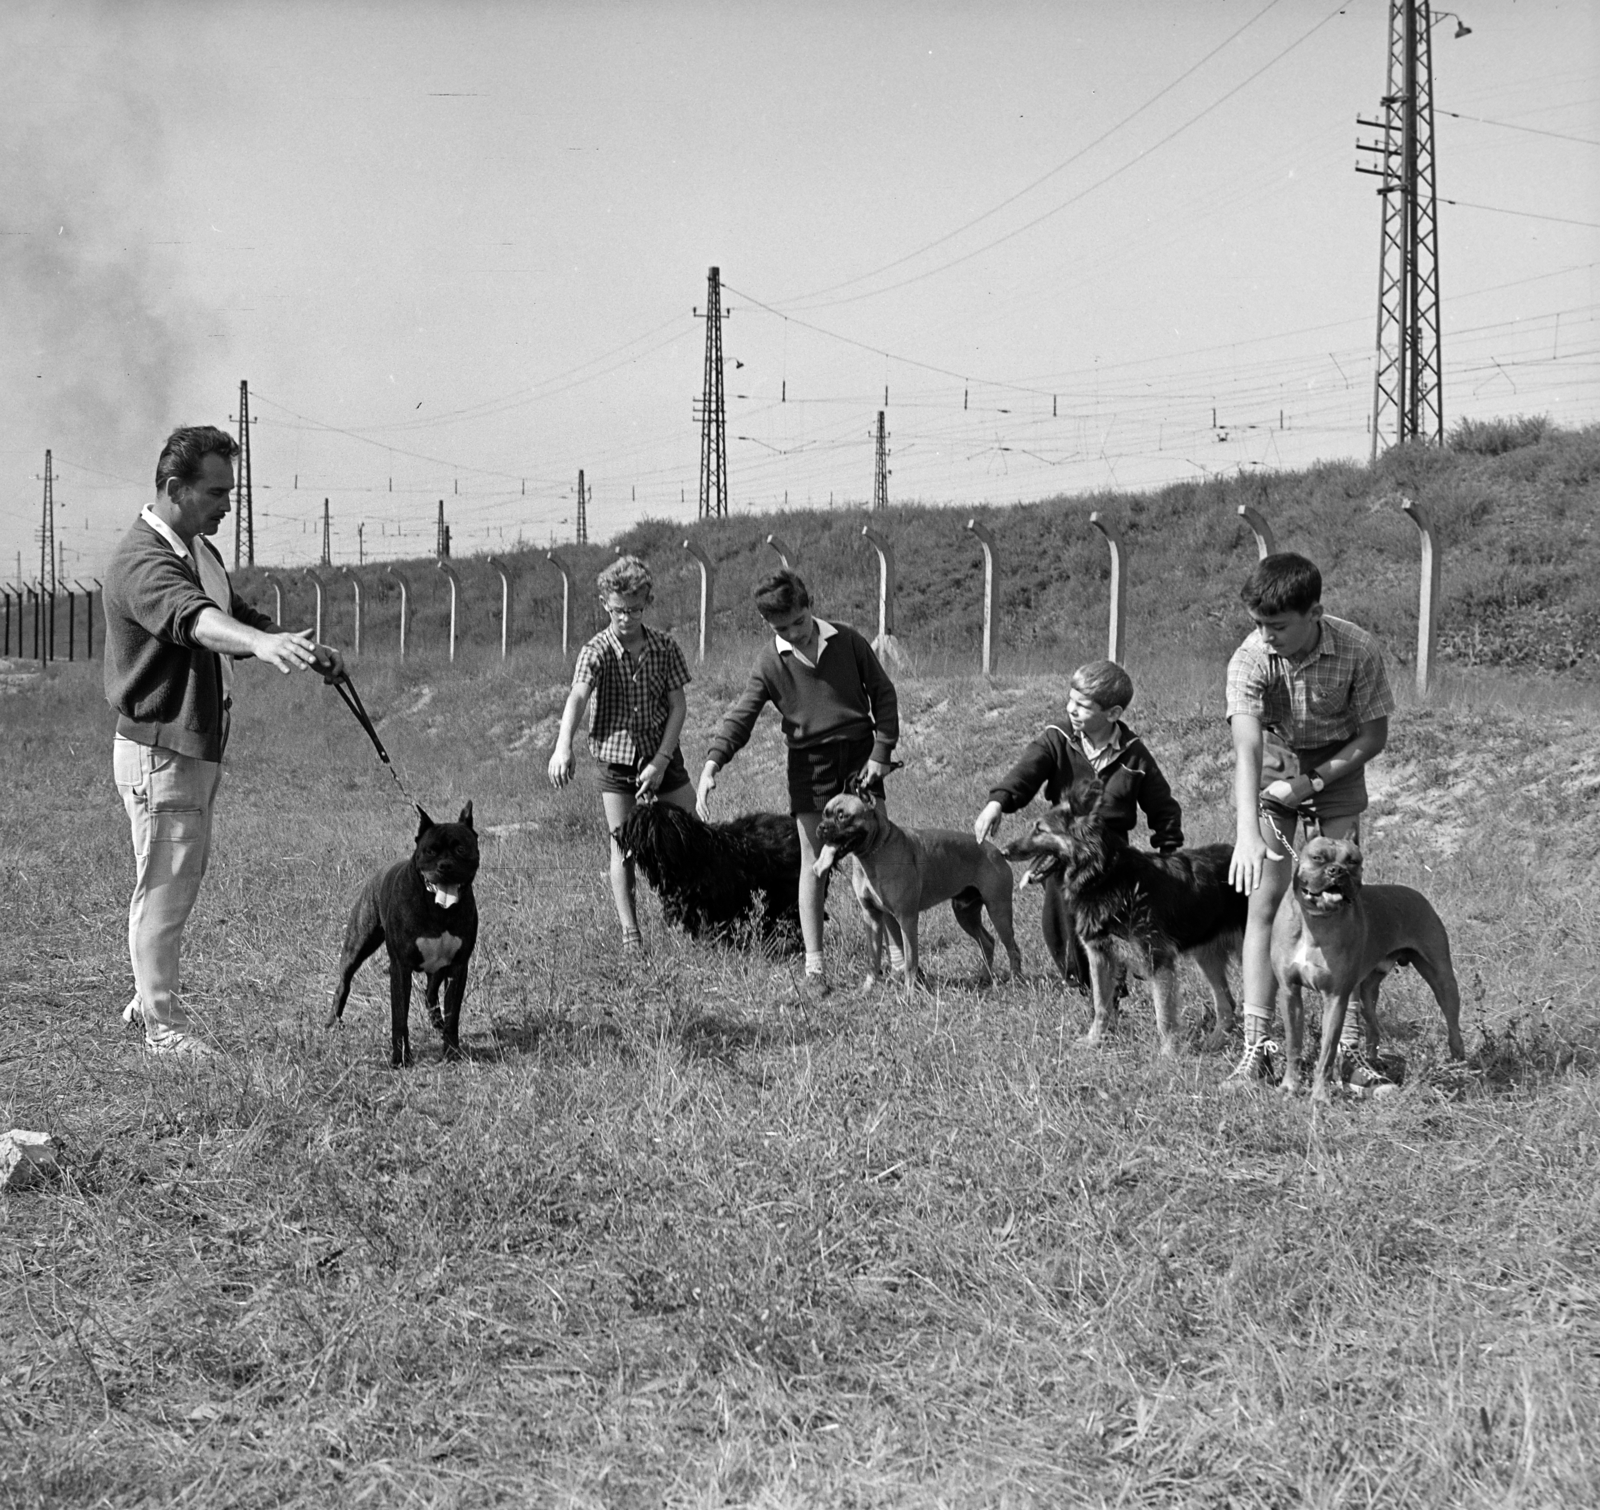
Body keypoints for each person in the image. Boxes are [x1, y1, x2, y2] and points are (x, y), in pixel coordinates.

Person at [104, 425, 342, 1056]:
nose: (228, 504)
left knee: (166, 876)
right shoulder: (142, 559)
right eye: (217, 491)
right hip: (162, 749)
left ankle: (145, 997)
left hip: (189, 746)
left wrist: (291, 642)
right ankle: (165, 1030)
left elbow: (229, 606)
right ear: (175, 488)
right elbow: (196, 619)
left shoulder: (195, 549)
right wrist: (260, 645)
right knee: (166, 883)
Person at [1223, 552, 1396, 1091]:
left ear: (1315, 612)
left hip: (1336, 767)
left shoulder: (1358, 649)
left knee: (1341, 895)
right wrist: (1249, 833)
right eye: (1258, 623)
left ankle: (1344, 1052)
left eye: (1277, 625)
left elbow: (1373, 738)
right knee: (1266, 901)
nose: (1265, 635)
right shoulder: (1251, 657)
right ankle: (1259, 1047)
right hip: (1275, 763)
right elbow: (1247, 749)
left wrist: (1311, 784)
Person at [697, 569, 898, 997]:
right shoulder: (771, 661)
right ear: (769, 626)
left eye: (799, 623)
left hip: (861, 759)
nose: (795, 633)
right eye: (781, 628)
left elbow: (883, 694)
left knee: (879, 854)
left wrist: (881, 754)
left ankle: (899, 961)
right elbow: (743, 714)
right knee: (814, 861)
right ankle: (815, 969)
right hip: (810, 767)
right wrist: (715, 760)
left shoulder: (848, 641)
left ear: (810, 605)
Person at [973, 659, 1183, 986]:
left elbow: (1162, 805)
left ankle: (1113, 981)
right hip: (1064, 846)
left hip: (1111, 850)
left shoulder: (1134, 755)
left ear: (1112, 713)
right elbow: (1025, 773)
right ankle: (1080, 981)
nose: (1071, 709)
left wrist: (1169, 847)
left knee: (1111, 917)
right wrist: (997, 802)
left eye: (1082, 706)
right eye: (1070, 700)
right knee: (1060, 916)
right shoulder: (1057, 739)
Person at [548, 555, 696, 947]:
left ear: (647, 603)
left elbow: (678, 706)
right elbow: (578, 695)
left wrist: (662, 761)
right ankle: (631, 934)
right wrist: (564, 747)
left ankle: (693, 917)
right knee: (623, 846)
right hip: (616, 761)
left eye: (634, 610)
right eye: (618, 611)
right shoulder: (595, 649)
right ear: (604, 605)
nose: (626, 618)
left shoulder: (664, 647)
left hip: (662, 753)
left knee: (690, 834)